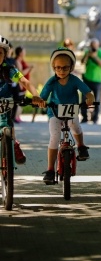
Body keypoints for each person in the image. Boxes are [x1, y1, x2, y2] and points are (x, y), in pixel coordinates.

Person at [39, 47, 95, 184]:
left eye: (65, 68)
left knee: (75, 126)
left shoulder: (74, 80)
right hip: (54, 112)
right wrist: (41, 102)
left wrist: (89, 98)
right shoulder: (51, 82)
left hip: (71, 110)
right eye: (58, 68)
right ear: (53, 67)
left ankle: (81, 146)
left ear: (71, 67)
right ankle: (50, 170)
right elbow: (43, 96)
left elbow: (88, 92)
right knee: (55, 137)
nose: (61, 71)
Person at [0, 36, 43, 164]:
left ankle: (14, 145)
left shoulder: (10, 69)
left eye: (0, 53)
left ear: (5, 55)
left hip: (5, 102)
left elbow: (25, 82)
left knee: (8, 125)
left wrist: (36, 96)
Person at [80, 38, 101, 124]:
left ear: (98, 45)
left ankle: (95, 117)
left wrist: (95, 57)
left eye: (94, 46)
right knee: (84, 99)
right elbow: (82, 62)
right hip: (87, 78)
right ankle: (84, 117)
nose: (93, 47)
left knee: (97, 99)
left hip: (97, 80)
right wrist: (87, 55)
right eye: (91, 46)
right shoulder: (87, 52)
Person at [14, 46, 34, 123]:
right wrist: (29, 68)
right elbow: (21, 73)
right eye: (23, 51)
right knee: (20, 101)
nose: (25, 53)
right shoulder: (18, 61)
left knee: (21, 100)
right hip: (21, 84)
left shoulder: (21, 60)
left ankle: (17, 116)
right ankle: (16, 116)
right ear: (20, 53)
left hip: (24, 84)